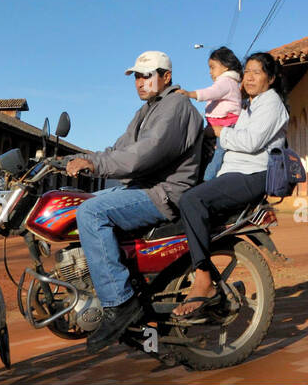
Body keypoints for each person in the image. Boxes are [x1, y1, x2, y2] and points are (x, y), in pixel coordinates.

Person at [65, 50, 204, 353]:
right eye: (137, 77)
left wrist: (95, 165)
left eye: (147, 75)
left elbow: (146, 154)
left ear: (166, 77)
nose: (140, 82)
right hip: (142, 187)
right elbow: (120, 147)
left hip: (163, 193)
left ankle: (121, 302)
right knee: (75, 205)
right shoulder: (147, 111)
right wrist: (80, 158)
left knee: (90, 213)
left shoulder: (177, 105)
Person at [173, 51, 287, 318]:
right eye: (246, 71)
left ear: (270, 78)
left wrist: (222, 133)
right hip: (235, 173)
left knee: (192, 200)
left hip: (252, 176)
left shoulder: (271, 104)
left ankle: (203, 280)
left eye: (256, 72)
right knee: (185, 197)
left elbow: (250, 143)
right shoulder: (252, 105)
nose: (248, 77)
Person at [177, 46, 242, 181]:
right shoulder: (229, 83)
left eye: (212, 67)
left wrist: (190, 94)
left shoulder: (226, 82)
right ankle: (204, 178)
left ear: (225, 67)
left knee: (217, 156)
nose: (210, 72)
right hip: (220, 126)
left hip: (227, 126)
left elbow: (211, 93)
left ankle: (207, 180)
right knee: (211, 154)